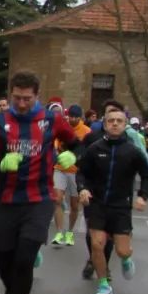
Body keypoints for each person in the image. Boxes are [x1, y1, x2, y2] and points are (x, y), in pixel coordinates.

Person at [0, 70, 79, 294]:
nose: (21, 103)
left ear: (37, 96)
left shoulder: (52, 119)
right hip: (7, 199)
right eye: (17, 98)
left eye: (27, 98)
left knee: (25, 259)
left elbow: (79, 145)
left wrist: (73, 155)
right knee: (4, 261)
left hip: (40, 199)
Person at [75, 106, 148, 294]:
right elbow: (82, 173)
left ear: (125, 125)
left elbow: (147, 175)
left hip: (120, 205)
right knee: (97, 244)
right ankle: (104, 285)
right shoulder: (95, 149)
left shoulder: (132, 151)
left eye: (119, 121)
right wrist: (83, 189)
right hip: (96, 204)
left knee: (122, 250)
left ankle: (126, 259)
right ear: (104, 124)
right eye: (111, 121)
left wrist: (142, 196)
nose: (115, 124)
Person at [51, 104, 91, 248]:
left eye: (75, 117)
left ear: (80, 117)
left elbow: (87, 150)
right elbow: (55, 142)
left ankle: (70, 232)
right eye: (71, 116)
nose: (72, 119)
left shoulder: (86, 131)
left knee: (74, 204)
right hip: (60, 168)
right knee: (57, 199)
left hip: (76, 171)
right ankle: (59, 232)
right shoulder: (63, 126)